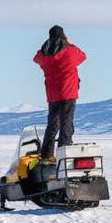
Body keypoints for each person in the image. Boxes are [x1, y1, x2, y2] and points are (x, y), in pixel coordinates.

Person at [33, 25, 87, 162]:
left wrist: (46, 46)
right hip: (68, 92)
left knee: (52, 124)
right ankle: (64, 154)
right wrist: (70, 42)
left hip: (52, 94)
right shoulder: (69, 51)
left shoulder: (44, 55)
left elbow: (36, 58)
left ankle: (46, 154)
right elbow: (82, 56)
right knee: (66, 123)